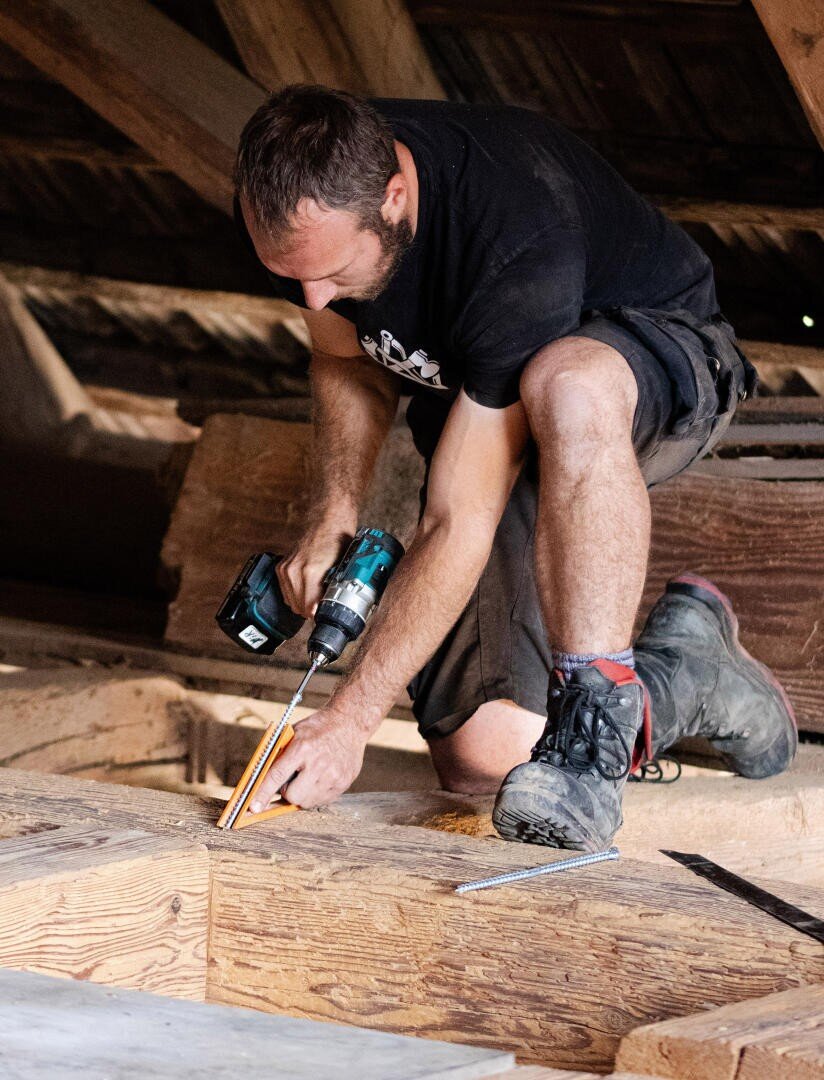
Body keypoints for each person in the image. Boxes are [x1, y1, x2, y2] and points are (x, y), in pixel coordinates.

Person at [235, 85, 796, 850]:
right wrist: (332, 512)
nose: (313, 295)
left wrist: (350, 720)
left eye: (332, 272)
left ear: (394, 197)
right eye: (291, 275)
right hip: (493, 414)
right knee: (487, 762)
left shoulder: (515, 234)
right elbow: (345, 361)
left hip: (654, 363)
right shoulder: (303, 193)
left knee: (566, 385)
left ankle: (594, 723)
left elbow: (458, 519)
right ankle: (689, 672)